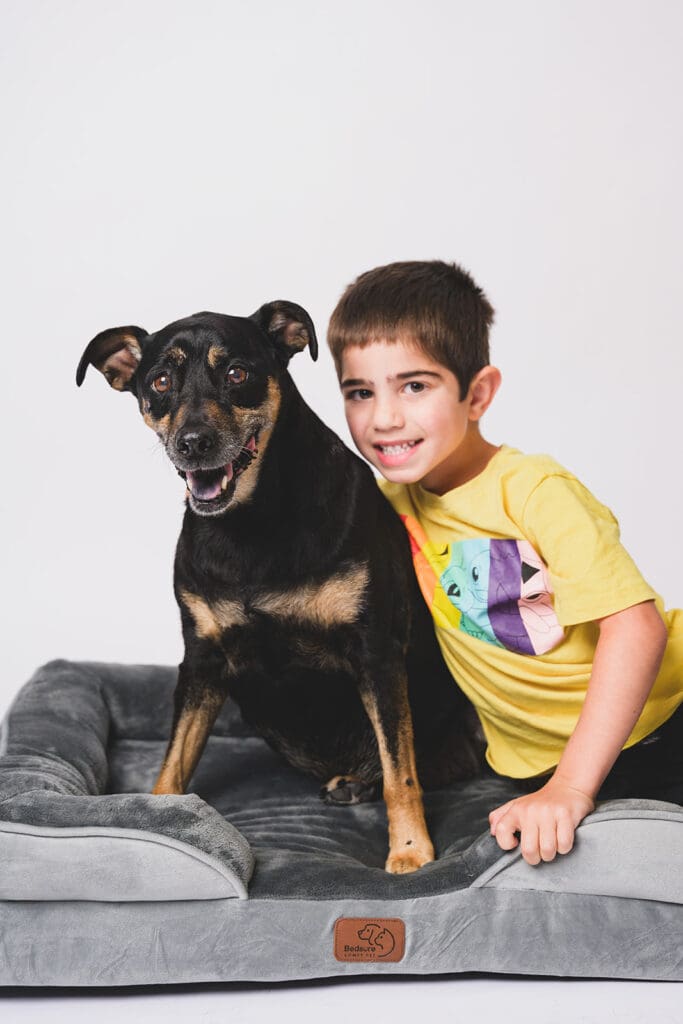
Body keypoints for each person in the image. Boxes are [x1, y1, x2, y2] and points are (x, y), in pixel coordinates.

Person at [327, 259, 683, 866]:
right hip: (542, 763)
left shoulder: (534, 490)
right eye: (361, 392)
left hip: (663, 721)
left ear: (479, 393)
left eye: (414, 386)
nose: (384, 418)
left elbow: (637, 625)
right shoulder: (389, 501)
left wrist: (570, 788)